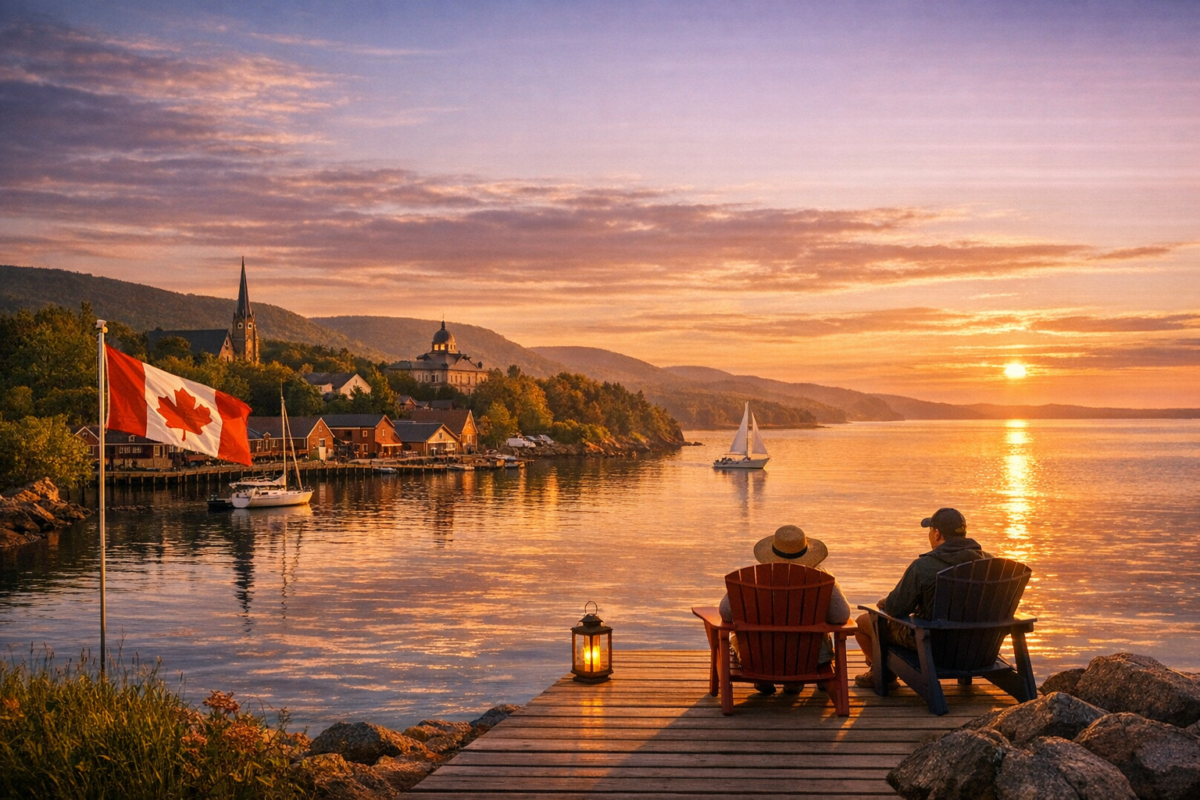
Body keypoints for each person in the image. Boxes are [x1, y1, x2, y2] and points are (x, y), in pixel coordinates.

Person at [853, 507, 992, 688]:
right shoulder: (990, 562)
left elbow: (896, 608)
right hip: (978, 646)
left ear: (936, 534)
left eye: (930, 531)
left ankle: (883, 674)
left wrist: (885, 603)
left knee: (864, 622)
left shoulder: (924, 566)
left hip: (934, 645)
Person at [719, 524, 851, 695]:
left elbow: (726, 612)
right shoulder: (823, 578)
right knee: (817, 640)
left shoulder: (754, 579)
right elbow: (841, 616)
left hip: (758, 656)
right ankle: (794, 681)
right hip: (807, 657)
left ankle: (763, 678)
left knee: (740, 639)